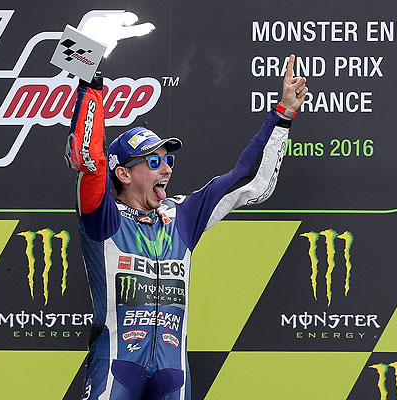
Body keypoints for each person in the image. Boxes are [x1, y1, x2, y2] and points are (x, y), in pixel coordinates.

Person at [65, 54, 308, 400]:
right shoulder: (103, 218)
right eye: (153, 161)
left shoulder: (181, 215)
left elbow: (250, 180)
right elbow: (90, 161)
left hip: (173, 372)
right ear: (123, 174)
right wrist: (90, 85)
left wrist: (282, 114)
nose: (166, 169)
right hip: (116, 365)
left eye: (168, 160)